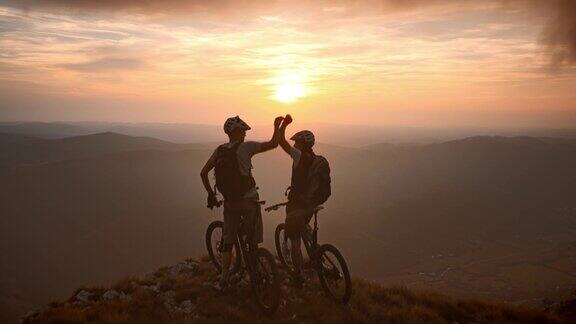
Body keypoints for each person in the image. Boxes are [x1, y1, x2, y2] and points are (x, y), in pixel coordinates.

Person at [200, 115, 284, 290]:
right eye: (243, 131)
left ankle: (224, 278)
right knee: (252, 239)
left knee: (228, 241)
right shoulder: (246, 147)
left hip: (230, 204)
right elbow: (274, 144)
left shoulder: (219, 151)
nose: (245, 134)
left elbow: (203, 173)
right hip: (249, 201)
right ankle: (255, 269)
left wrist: (211, 194)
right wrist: (277, 127)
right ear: (237, 132)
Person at [277, 114, 331, 286]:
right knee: (304, 225)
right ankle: (317, 254)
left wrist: (283, 125)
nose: (294, 145)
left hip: (297, 205)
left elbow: (281, 142)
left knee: (295, 242)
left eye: (296, 143)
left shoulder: (298, 155)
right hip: (312, 203)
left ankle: (297, 276)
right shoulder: (316, 160)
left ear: (301, 145)